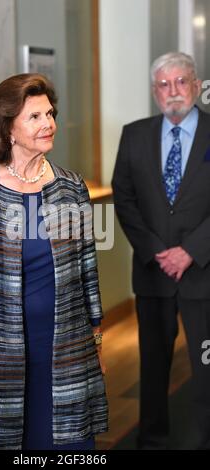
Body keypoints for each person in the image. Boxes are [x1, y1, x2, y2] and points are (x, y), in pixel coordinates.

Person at [0, 73, 108, 450]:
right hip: (3, 355)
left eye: (50, 114)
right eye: (35, 117)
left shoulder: (72, 187)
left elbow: (88, 270)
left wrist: (96, 343)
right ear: (8, 128)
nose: (48, 124)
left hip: (69, 350)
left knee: (69, 445)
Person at [112, 51, 210, 450]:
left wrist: (189, 251)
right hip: (153, 273)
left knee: (206, 368)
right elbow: (125, 197)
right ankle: (151, 442)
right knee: (153, 368)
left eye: (181, 82)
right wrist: (157, 250)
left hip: (203, 271)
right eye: (164, 84)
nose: (173, 92)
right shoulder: (134, 134)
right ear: (155, 91)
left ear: (198, 85)